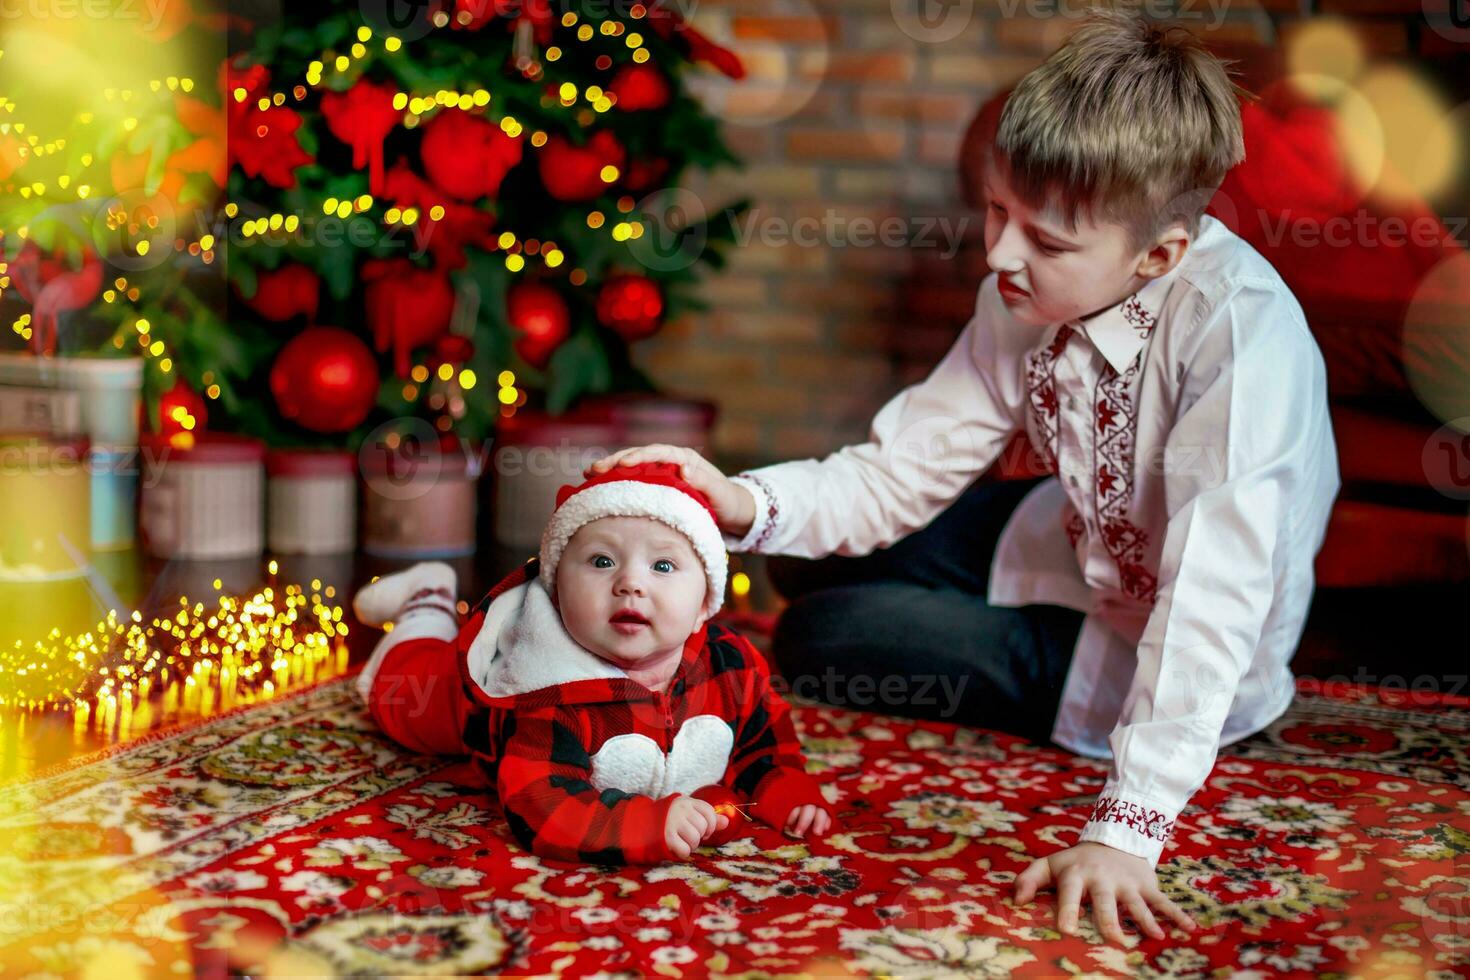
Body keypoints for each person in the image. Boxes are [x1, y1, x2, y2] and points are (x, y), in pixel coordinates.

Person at [586, 11, 1340, 942]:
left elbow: (1211, 601)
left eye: (1046, 242)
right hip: (1065, 534)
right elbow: (902, 469)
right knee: (791, 561)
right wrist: (736, 499)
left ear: (1160, 256)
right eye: (996, 211)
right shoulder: (1017, 293)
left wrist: (1127, 830)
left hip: (1153, 637)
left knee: (821, 634)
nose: (998, 258)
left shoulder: (1241, 340)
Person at [351, 462, 833, 865]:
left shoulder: (730, 665)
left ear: (705, 602)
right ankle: (426, 600)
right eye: (602, 561)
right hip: (450, 700)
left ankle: (432, 599)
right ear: (557, 588)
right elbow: (542, 806)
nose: (629, 583)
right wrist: (648, 823)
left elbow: (763, 741)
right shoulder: (546, 688)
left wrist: (785, 790)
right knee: (398, 694)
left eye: (662, 566)